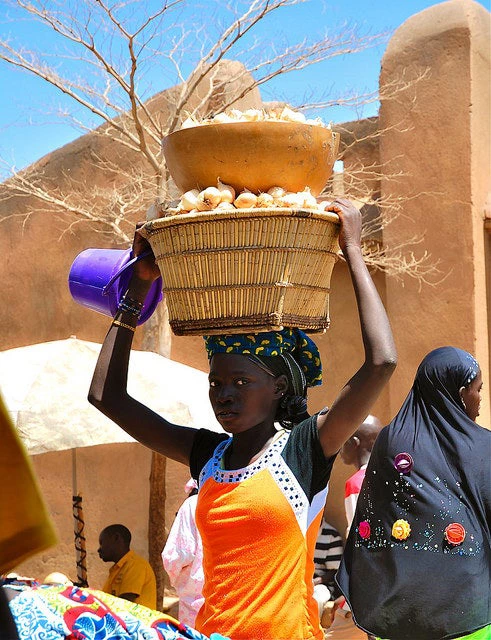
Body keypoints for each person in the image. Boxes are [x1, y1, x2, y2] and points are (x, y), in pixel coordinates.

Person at [88, 198, 397, 640]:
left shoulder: (304, 449)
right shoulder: (208, 456)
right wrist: (137, 288)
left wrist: (353, 248)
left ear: (278, 388)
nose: (224, 394)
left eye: (240, 382)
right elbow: (106, 396)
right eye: (216, 384)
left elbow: (382, 362)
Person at [337, 346, 490, 640]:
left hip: (394, 610)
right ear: (460, 394)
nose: (480, 399)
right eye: (478, 389)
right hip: (469, 613)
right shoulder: (483, 448)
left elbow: (375, 524)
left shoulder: (390, 442)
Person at [162, 480, 204, 627]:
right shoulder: (232, 498)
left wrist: (178, 581)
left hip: (195, 606)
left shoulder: (192, 504)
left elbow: (174, 557)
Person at [340, 414, 383, 535]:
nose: (339, 448)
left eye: (343, 440)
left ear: (354, 443)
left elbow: (358, 536)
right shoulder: (395, 476)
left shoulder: (357, 484)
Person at [98, 524, 157, 610]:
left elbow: (125, 604)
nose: (99, 549)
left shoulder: (136, 565)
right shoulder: (117, 569)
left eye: (101, 543)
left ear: (116, 538)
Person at [312, 518, 343, 623]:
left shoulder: (331, 535)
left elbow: (335, 571)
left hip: (322, 585)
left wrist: (314, 582)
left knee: (315, 599)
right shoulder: (300, 531)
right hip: (299, 580)